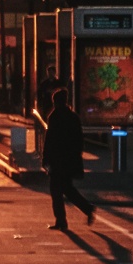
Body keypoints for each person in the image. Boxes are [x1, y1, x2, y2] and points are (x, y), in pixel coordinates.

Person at [42, 85, 95, 231]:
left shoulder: (54, 117)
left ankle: (62, 220)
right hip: (70, 160)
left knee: (56, 191)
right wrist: (77, 155)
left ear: (56, 102)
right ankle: (86, 209)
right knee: (67, 188)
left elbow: (49, 140)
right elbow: (79, 140)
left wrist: (45, 159)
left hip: (57, 161)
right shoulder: (73, 117)